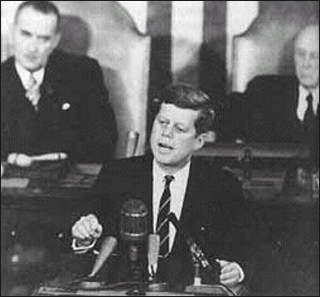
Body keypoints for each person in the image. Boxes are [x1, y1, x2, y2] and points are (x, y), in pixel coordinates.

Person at [71, 83, 253, 290]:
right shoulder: (117, 175)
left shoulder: (222, 186)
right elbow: (86, 244)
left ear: (199, 141)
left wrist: (237, 269)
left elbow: (246, 250)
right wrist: (84, 237)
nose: (166, 134)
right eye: (162, 122)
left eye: (179, 129)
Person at [1, 1, 117, 163]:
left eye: (43, 39)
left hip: (70, 180)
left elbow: (103, 140)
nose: (32, 48)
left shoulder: (83, 73)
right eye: (26, 34)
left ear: (55, 40)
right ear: (12, 33)